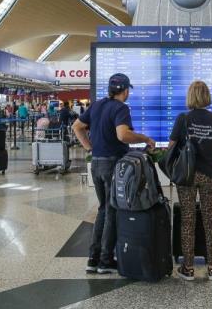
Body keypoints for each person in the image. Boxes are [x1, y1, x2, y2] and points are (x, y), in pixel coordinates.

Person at [72, 73, 155, 275]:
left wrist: (90, 148)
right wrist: (145, 138)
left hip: (97, 164)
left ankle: (93, 258)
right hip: (112, 165)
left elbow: (77, 127)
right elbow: (123, 135)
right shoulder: (121, 108)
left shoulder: (97, 105)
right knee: (111, 211)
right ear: (125, 90)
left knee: (103, 209)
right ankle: (105, 260)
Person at [168, 81, 212, 282]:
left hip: (187, 175)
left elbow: (172, 146)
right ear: (207, 96)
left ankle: (189, 268)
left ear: (190, 96)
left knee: (188, 219)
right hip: (210, 175)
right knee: (210, 220)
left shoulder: (183, 118)